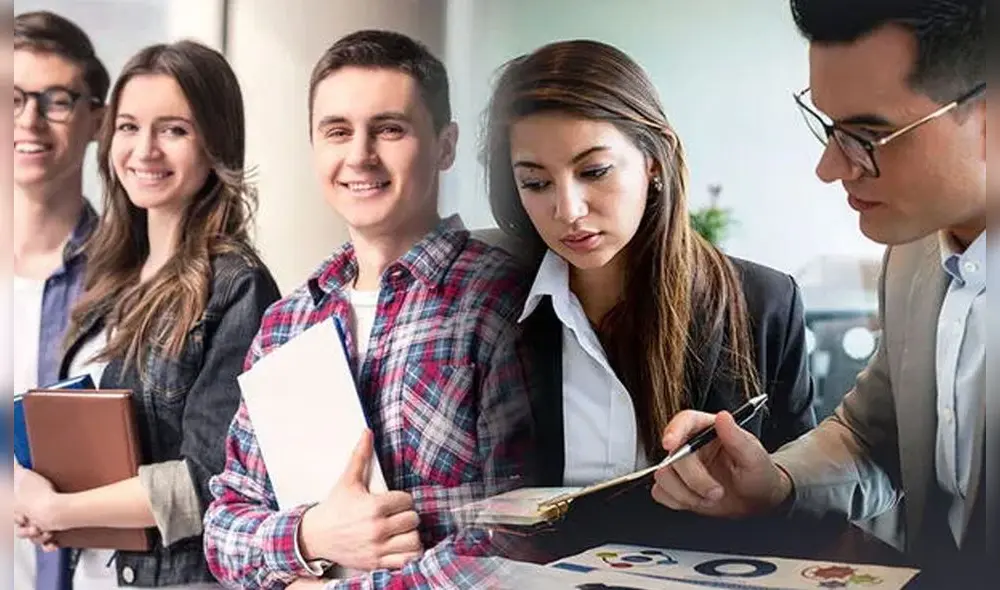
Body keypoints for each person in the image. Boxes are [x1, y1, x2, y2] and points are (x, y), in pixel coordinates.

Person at [651, 0, 986, 582]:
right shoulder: (914, 255)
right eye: (829, 127)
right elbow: (872, 437)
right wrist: (774, 482)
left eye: (868, 135)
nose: (829, 168)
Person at [202, 30, 533, 589]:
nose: (359, 155)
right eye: (337, 131)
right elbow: (224, 527)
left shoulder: (500, 301)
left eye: (389, 129)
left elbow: (520, 535)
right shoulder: (285, 325)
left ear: (445, 145)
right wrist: (310, 536)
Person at [482, 38, 816, 529]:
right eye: (536, 182)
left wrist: (766, 491)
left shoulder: (765, 304)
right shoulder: (483, 303)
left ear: (654, 160)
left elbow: (804, 506)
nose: (568, 210)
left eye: (594, 171)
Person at [12, 40, 281, 588]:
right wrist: (36, 496)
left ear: (215, 143)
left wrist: (60, 509)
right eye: (129, 127)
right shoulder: (113, 275)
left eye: (173, 130)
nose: (145, 150)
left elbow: (212, 482)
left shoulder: (236, 286)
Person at [11, 11, 108, 590]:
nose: (29, 120)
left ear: (97, 119)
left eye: (57, 101)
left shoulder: (133, 280)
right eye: (13, 98)